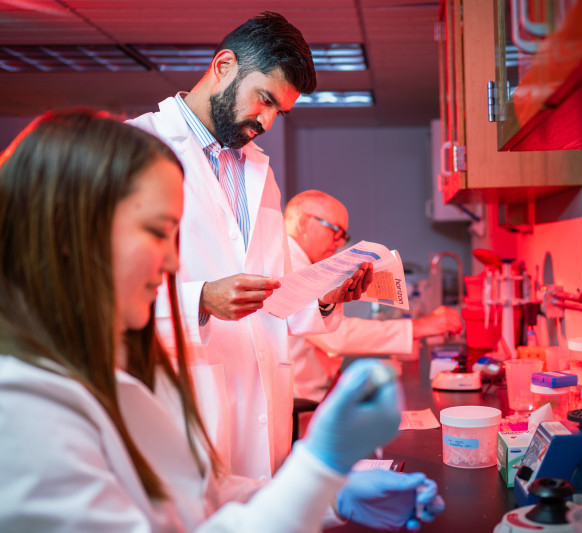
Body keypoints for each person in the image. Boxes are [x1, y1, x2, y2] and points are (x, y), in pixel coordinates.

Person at [0, 110, 444, 532]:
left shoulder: (116, 368)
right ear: (66, 233)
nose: (173, 260)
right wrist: (317, 469)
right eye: (157, 232)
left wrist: (334, 494)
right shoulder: (20, 407)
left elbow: (201, 496)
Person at [127, 11, 371, 479]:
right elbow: (91, 293)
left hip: (265, 405)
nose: (267, 122)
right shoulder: (135, 148)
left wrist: (324, 295)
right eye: (264, 99)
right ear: (223, 65)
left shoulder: (259, 172)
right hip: (182, 401)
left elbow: (275, 289)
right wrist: (200, 300)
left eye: (278, 111)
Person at [285, 190, 464, 404]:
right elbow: (337, 337)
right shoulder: (289, 266)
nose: (340, 243)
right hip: (302, 399)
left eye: (344, 235)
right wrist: (423, 326)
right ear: (303, 223)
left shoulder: (303, 263)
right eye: (336, 231)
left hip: (318, 389)